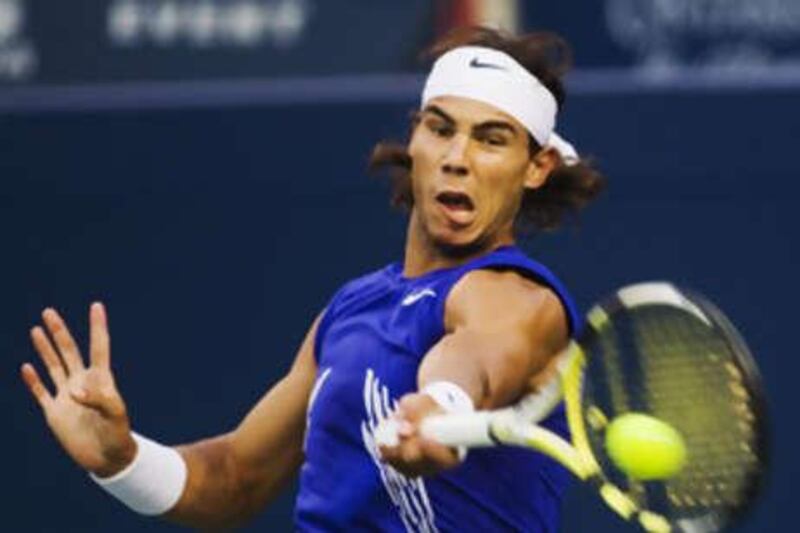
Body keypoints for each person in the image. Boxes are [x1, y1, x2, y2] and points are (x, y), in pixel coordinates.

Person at [20, 27, 605, 532]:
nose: (458, 157)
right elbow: (235, 479)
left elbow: (476, 356)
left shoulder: (519, 297)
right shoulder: (351, 309)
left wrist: (443, 405)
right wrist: (121, 460)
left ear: (537, 167)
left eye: (491, 139)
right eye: (441, 128)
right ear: (416, 139)